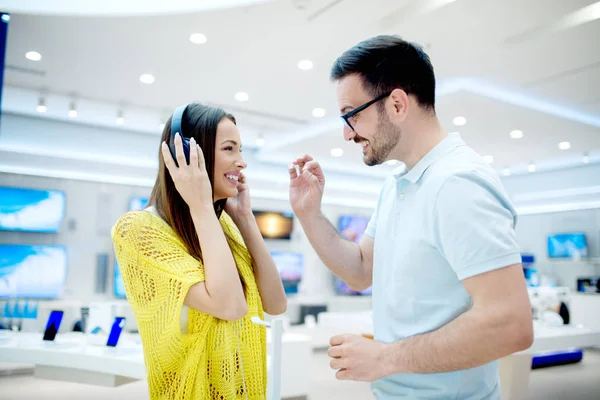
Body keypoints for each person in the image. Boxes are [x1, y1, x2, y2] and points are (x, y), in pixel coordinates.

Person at [288, 35, 533, 399]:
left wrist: (387, 358)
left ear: (398, 104)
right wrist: (309, 214)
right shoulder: (398, 183)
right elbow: (359, 269)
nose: (346, 133)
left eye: (352, 116)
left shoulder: (458, 183)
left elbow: (511, 324)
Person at [112, 103, 287, 399]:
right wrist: (202, 205)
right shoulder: (138, 230)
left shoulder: (225, 227)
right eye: (229, 149)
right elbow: (231, 306)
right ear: (189, 156)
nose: (241, 162)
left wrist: (245, 219)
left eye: (240, 150)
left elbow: (276, 303)